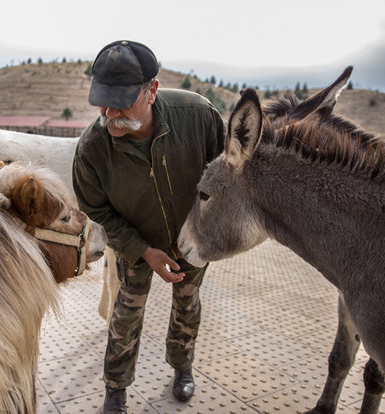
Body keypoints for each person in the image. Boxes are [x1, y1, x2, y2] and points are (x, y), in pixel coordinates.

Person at [72, 40, 225, 413]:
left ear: (151, 91)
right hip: (134, 243)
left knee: (188, 305)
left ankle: (182, 368)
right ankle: (116, 387)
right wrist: (142, 249)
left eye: (121, 102)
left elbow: (225, 178)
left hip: (190, 242)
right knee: (127, 313)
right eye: (102, 102)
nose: (110, 113)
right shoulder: (92, 150)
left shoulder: (199, 116)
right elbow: (97, 210)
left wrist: (210, 235)